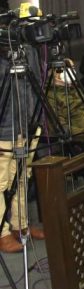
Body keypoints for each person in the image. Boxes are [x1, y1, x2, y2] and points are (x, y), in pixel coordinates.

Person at [0, 43, 43, 253]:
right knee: (1, 182)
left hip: (29, 123)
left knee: (23, 177)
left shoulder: (28, 48)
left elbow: (36, 83)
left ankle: (21, 224)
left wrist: (37, 118)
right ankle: (3, 233)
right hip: (4, 127)